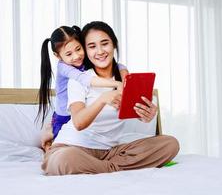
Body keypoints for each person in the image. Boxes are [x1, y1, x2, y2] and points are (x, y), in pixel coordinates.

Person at [41, 21, 179, 175]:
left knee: (170, 144)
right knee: (63, 160)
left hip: (111, 152)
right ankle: (115, 168)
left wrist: (147, 115)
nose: (100, 51)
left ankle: (103, 168)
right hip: (73, 148)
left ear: (114, 44)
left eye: (105, 44)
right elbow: (78, 123)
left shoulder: (125, 77)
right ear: (86, 50)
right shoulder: (79, 79)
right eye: (92, 46)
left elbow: (133, 112)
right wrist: (102, 99)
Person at [37, 25, 129, 151]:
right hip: (64, 114)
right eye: (69, 54)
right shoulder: (64, 67)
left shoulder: (83, 60)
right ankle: (48, 138)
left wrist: (124, 72)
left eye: (78, 49)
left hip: (76, 110)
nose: (76, 56)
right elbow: (86, 80)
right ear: (58, 56)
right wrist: (116, 84)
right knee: (57, 144)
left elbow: (119, 66)